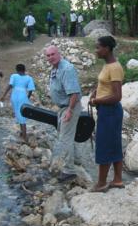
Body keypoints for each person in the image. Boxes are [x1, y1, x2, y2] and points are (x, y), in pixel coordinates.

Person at [89, 36, 124, 192]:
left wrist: (98, 101)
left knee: (104, 146)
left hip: (110, 111)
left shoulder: (115, 68)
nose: (96, 51)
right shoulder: (108, 65)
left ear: (107, 49)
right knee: (115, 144)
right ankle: (117, 180)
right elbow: (105, 85)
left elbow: (117, 96)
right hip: (108, 111)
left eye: (98, 48)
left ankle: (101, 183)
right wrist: (95, 92)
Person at [45, 45, 82, 182]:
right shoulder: (55, 68)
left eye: (53, 54)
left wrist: (69, 111)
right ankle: (76, 160)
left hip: (70, 106)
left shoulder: (67, 69)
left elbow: (74, 93)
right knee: (66, 135)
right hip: (63, 107)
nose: (50, 57)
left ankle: (69, 171)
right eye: (48, 56)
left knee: (65, 138)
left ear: (59, 54)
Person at [0, 64, 35, 142]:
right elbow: (31, 90)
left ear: (17, 70)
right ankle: (23, 133)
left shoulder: (14, 76)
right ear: (24, 69)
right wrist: (27, 98)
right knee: (22, 115)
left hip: (15, 96)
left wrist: (3, 96)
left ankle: (24, 137)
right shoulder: (29, 78)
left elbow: (10, 86)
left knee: (18, 114)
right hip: (23, 96)